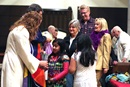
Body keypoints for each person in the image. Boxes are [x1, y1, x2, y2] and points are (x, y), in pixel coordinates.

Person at [1, 11, 48, 87]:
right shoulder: (21, 32)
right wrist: (39, 63)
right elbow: (24, 53)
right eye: (38, 24)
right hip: (14, 62)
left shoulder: (18, 29)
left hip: (12, 60)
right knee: (13, 83)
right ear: (34, 23)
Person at [90, 18, 112, 87]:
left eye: (97, 24)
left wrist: (105, 66)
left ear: (102, 25)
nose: (95, 26)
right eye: (94, 24)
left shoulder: (106, 36)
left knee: (95, 81)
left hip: (100, 63)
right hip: (92, 62)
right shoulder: (93, 34)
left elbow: (107, 52)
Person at [64, 19, 81, 87]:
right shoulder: (66, 39)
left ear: (78, 28)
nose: (71, 29)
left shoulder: (81, 38)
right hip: (68, 66)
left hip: (79, 66)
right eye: (70, 27)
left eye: (73, 27)